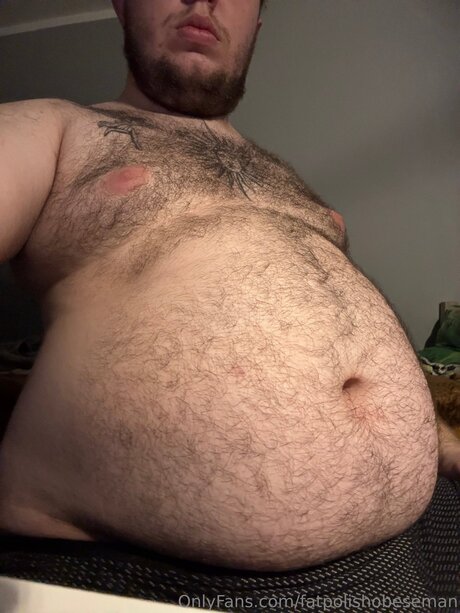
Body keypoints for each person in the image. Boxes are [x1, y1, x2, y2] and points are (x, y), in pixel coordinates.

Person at [0, 0, 458, 572]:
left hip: (415, 541)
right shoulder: (53, 128)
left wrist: (437, 438)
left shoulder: (285, 177)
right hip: (127, 570)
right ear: (122, 5)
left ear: (256, 25)